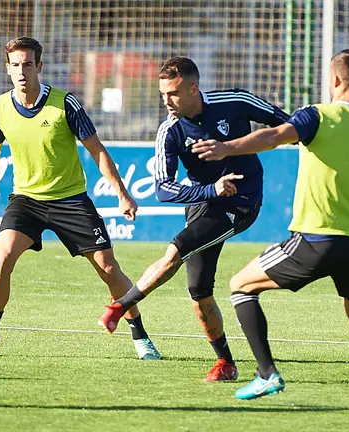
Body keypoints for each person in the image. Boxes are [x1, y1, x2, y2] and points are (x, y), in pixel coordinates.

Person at [191, 49, 349, 409]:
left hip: (315, 239)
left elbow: (273, 136)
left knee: (240, 286)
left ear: (333, 80)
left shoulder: (317, 116)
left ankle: (266, 373)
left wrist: (226, 149)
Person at [0, 37, 161, 360]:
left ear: (39, 66)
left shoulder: (65, 104)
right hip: (26, 200)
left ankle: (140, 336)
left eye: (28, 64)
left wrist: (122, 195)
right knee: (2, 259)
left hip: (71, 200)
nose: (22, 71)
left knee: (109, 270)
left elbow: (96, 150)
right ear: (8, 69)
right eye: (16, 65)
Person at [98, 56, 289, 382]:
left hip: (241, 202)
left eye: (172, 94)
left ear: (193, 89)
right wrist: (211, 190)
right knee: (198, 291)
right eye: (162, 94)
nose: (166, 102)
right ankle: (226, 363)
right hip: (205, 202)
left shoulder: (235, 102)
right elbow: (163, 189)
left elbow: (288, 125)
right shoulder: (170, 131)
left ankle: (119, 306)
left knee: (176, 251)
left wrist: (230, 150)